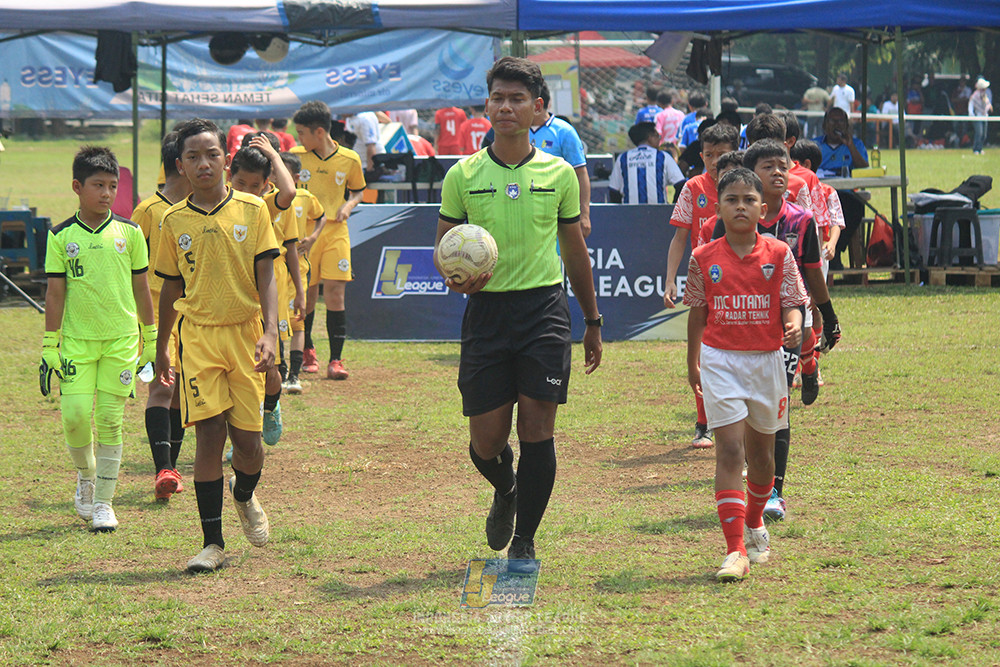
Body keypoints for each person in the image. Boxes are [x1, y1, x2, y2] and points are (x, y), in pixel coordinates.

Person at [434, 56, 602, 570]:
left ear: (537, 108)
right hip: (486, 314)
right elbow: (443, 249)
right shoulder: (462, 174)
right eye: (498, 98)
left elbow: (574, 251)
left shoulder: (558, 174)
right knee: (485, 442)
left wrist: (593, 321)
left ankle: (524, 541)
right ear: (487, 106)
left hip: (543, 311)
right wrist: (456, 278)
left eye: (517, 99)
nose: (506, 107)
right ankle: (506, 488)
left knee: (537, 429)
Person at [154, 118, 280, 572]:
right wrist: (162, 345)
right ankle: (213, 544)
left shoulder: (253, 209)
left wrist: (270, 331)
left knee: (248, 444)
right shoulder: (173, 220)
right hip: (199, 338)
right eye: (193, 157)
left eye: (211, 154)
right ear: (181, 166)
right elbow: (170, 288)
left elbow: (267, 273)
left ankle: (243, 494)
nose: (203, 163)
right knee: (209, 435)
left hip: (246, 334)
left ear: (225, 160)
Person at [684, 167, 808, 582]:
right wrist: (693, 361)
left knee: (762, 458)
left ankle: (755, 521)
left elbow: (793, 302)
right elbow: (697, 312)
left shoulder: (779, 253)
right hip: (720, 360)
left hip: (766, 362)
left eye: (749, 200)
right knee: (730, 452)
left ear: (763, 209)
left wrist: (793, 324)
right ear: (717, 208)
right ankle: (735, 549)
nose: (740, 206)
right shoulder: (703, 257)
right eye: (731, 200)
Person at [42, 146, 155, 533]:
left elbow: (142, 289)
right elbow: (55, 293)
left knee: (109, 420)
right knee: (74, 417)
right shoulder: (60, 236)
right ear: (77, 186)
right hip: (77, 343)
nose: (107, 193)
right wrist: (49, 345)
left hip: (120, 342)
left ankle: (104, 502)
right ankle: (86, 476)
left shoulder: (131, 233)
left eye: (112, 186)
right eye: (98, 185)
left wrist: (150, 339)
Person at [663, 122, 739, 448]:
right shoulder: (693, 188)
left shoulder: (746, 185)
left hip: (742, 283)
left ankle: (741, 418)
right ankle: (704, 422)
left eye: (721, 154)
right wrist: (670, 279)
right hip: (706, 283)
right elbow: (680, 236)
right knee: (704, 349)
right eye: (709, 154)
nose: (714, 161)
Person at [230, 132, 301, 448]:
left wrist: (273, 155)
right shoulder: (219, 205)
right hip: (232, 303)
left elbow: (290, 191)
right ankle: (240, 439)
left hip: (263, 304)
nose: (246, 191)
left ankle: (271, 408)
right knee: (237, 375)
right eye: (240, 184)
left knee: (270, 371)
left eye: (254, 186)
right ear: (230, 178)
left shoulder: (265, 207)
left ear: (265, 186)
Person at [133, 131, 191, 502]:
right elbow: (128, 266)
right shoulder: (147, 211)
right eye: (195, 158)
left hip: (195, 314)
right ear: (180, 166)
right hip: (156, 312)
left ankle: (171, 469)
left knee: (180, 394)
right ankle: (163, 470)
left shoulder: (199, 209)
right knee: (162, 386)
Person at [291, 101, 366, 380]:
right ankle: (307, 349)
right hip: (305, 234)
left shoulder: (349, 159)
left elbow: (358, 191)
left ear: (319, 132)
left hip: (335, 231)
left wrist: (349, 205)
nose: (299, 138)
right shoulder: (296, 157)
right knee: (308, 294)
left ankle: (336, 360)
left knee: (335, 293)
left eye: (302, 132)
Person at [278, 151, 326, 394]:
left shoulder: (305, 198)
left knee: (298, 322)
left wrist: (313, 237)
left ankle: (294, 375)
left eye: (283, 173)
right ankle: (280, 371)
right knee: (276, 321)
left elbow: (321, 216)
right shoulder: (268, 199)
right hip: (275, 269)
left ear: (296, 178)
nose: (277, 177)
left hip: (298, 268)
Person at [529, 82, 593, 237]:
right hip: (526, 211)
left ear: (538, 105)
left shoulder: (564, 131)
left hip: (557, 212)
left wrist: (584, 214)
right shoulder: (517, 131)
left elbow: (580, 173)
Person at [812, 107, 869, 268]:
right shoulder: (815, 145)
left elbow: (864, 168)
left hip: (846, 194)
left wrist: (849, 145)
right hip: (821, 195)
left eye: (840, 121)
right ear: (825, 125)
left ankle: (835, 250)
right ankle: (827, 254)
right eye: (832, 121)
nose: (837, 125)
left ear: (846, 125)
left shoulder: (856, 144)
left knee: (856, 209)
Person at [608, 122, 684, 204]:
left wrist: (623, 208)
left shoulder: (623, 158)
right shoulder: (663, 157)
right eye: (657, 136)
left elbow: (613, 190)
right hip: (658, 210)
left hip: (630, 211)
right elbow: (681, 184)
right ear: (649, 137)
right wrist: (674, 206)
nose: (659, 139)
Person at [343, 111, 386, 176]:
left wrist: (370, 169)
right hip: (359, 163)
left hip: (369, 165)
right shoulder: (350, 118)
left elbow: (371, 145)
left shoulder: (365, 119)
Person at [969, 77, 993, 155]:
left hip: (985, 116)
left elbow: (988, 104)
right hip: (978, 116)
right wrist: (972, 115)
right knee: (979, 133)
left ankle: (980, 148)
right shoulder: (975, 95)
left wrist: (989, 106)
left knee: (984, 134)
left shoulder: (985, 95)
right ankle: (975, 149)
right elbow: (971, 105)